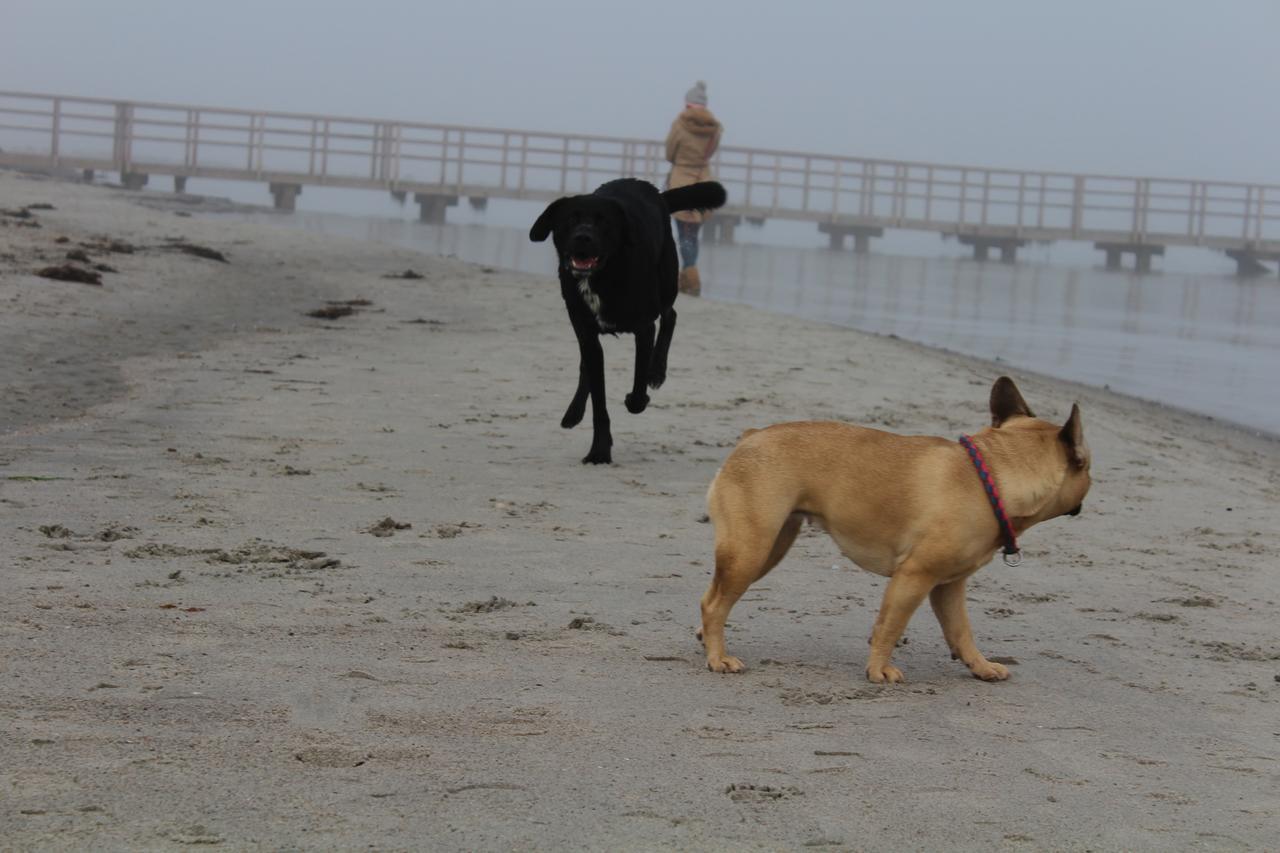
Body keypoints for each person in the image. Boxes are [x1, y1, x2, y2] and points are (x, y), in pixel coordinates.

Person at [665, 80, 722, 297]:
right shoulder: (715, 127)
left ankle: (690, 276)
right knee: (693, 233)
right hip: (703, 181)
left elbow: (670, 152)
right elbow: (711, 151)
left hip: (681, 181)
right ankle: (689, 275)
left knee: (683, 232)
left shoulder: (680, 124)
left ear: (688, 103)